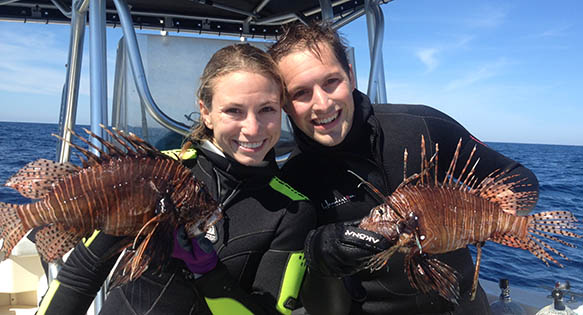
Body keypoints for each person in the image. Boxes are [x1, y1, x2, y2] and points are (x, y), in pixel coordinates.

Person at [268, 23, 539, 314]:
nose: (322, 104)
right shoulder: (292, 179)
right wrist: (319, 258)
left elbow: (520, 179)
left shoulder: (421, 126)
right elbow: (313, 303)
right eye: (300, 93)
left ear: (351, 74)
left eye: (331, 81)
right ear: (284, 103)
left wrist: (480, 219)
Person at [37, 43, 316, 315]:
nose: (252, 128)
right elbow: (81, 274)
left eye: (267, 109)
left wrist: (209, 273)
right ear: (206, 112)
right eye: (234, 110)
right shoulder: (152, 172)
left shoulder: (292, 209)